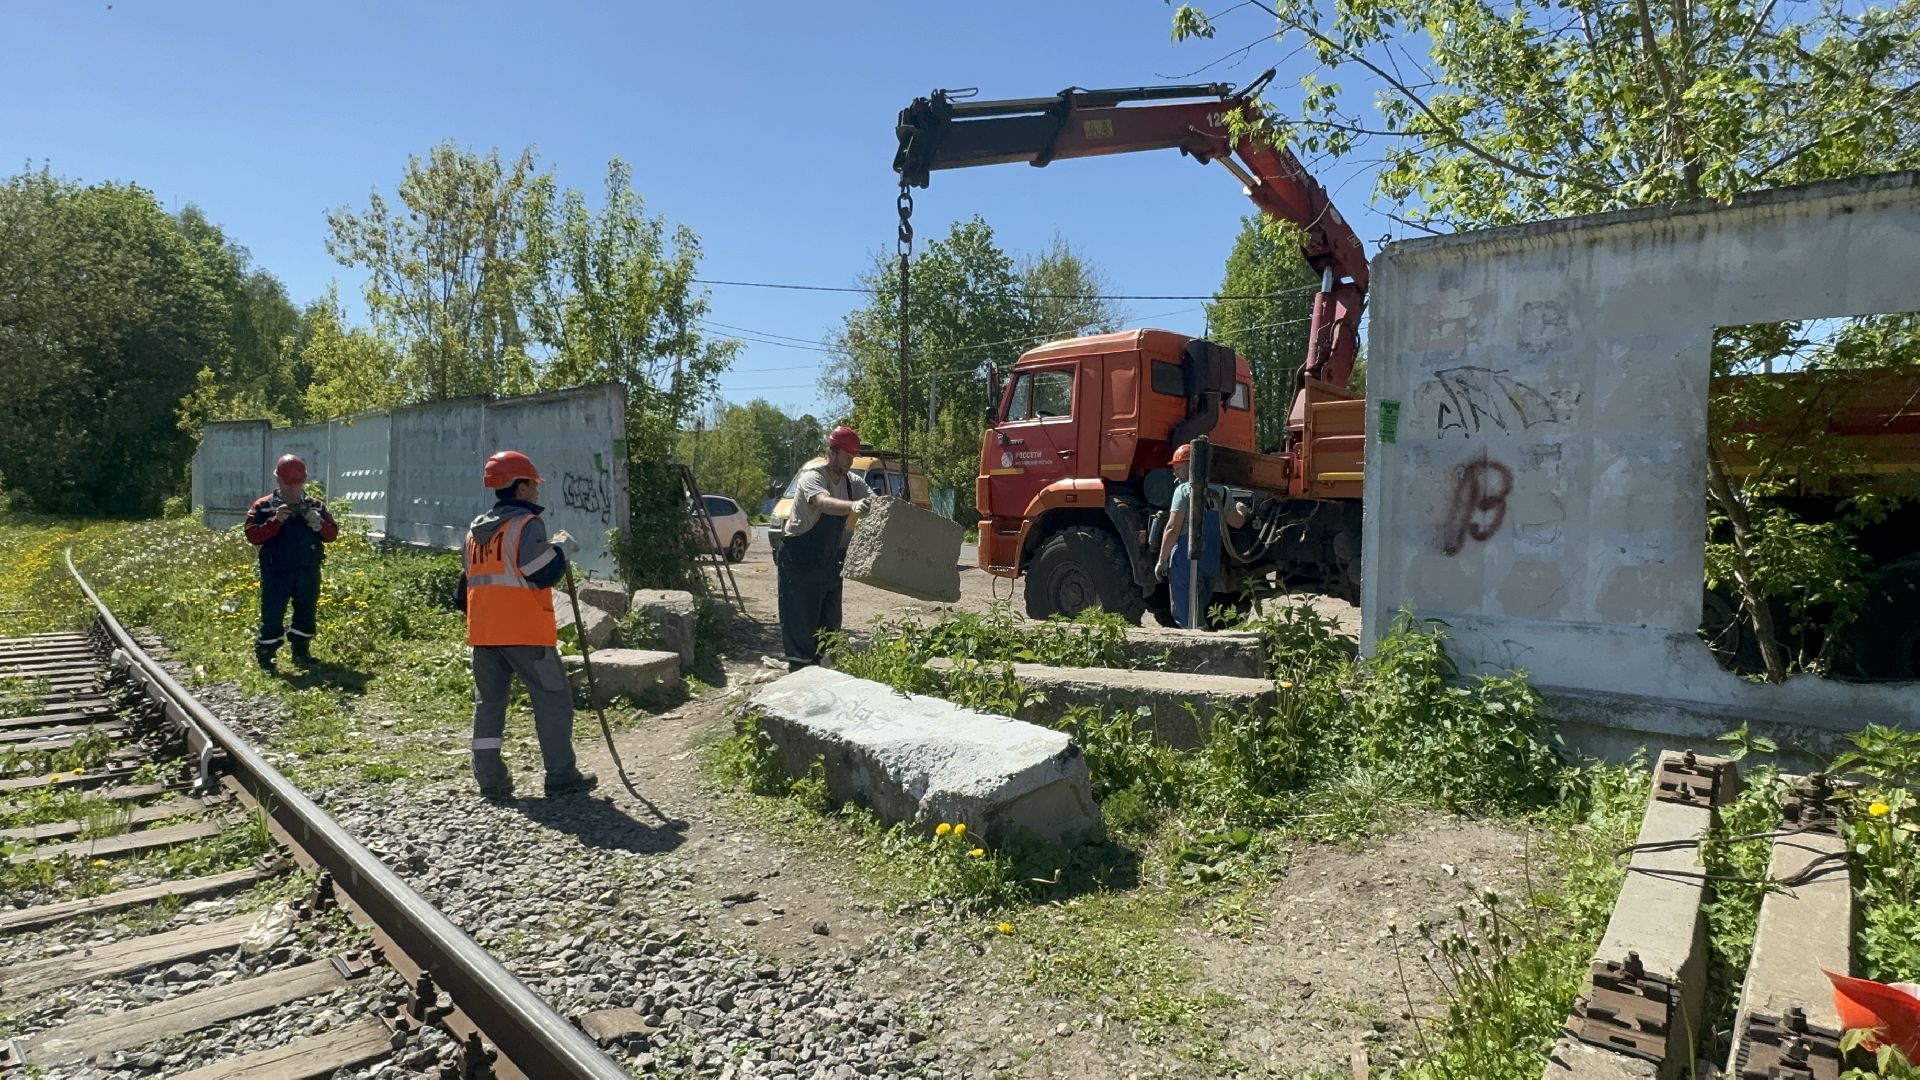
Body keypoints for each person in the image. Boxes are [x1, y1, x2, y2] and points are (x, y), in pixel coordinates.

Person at [453, 450, 598, 800]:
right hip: (525, 632)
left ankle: (490, 779)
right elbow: (541, 573)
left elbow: (462, 592)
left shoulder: (474, 533)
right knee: (552, 698)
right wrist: (561, 550)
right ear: (520, 488)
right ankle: (561, 775)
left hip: (484, 633)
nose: (537, 490)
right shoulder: (526, 525)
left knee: (489, 704)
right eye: (533, 484)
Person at [776, 425, 871, 670]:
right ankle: (799, 671)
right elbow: (823, 502)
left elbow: (874, 500)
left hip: (828, 562)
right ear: (833, 452)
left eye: (853, 457)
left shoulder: (852, 482)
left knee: (830, 623)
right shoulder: (812, 477)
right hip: (799, 560)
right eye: (847, 456)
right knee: (801, 623)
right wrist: (853, 506)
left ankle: (821, 669)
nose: (850, 462)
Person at [244, 454, 338, 671]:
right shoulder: (263, 506)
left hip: (307, 568)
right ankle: (267, 653)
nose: (293, 488)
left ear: (303, 481)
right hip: (275, 569)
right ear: (278, 479)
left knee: (306, 609)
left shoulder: (315, 505)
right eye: (288, 483)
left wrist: (319, 524)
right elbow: (252, 535)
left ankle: (301, 651)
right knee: (273, 611)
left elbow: (332, 535)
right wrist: (275, 521)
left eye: (297, 483)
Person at [1154, 442, 1249, 630]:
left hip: (1186, 559)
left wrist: (1162, 560)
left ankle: (1198, 640)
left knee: (1188, 614)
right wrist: (1242, 510)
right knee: (1198, 606)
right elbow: (1236, 522)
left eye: (1178, 469)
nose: (1175, 474)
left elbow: (1172, 528)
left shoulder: (1183, 491)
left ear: (1192, 466)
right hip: (1211, 559)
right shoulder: (1222, 492)